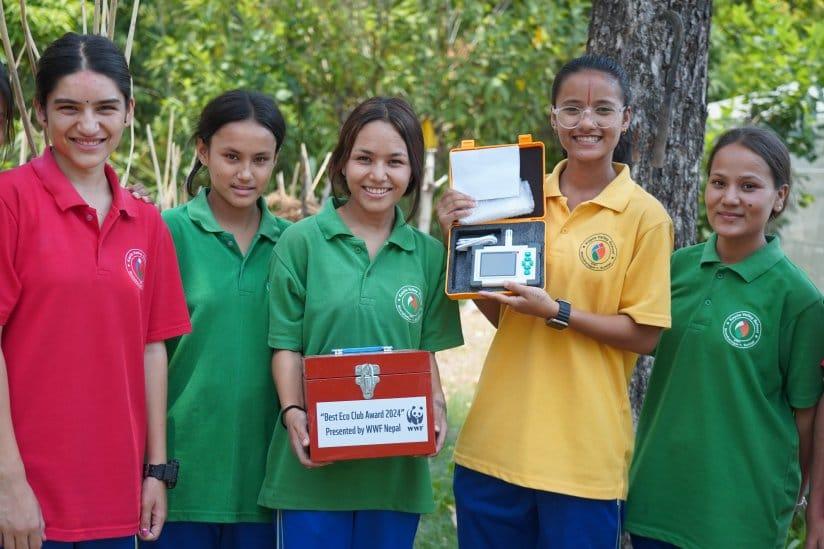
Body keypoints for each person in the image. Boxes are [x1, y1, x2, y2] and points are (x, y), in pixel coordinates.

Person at [436, 54, 673, 548]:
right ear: (554, 119)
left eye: (603, 110)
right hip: (495, 448)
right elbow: (504, 314)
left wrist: (558, 312)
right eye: (572, 109)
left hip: (583, 461)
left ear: (625, 119)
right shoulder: (515, 198)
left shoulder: (645, 217)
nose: (587, 123)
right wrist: (456, 241)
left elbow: (645, 335)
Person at [0, 33, 190, 549]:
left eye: (105, 108)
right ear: (40, 111)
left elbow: (153, 348)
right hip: (27, 500)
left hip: (115, 497)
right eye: (68, 108)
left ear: (128, 111)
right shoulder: (9, 201)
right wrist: (9, 485)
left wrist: (155, 469)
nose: (88, 126)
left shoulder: (147, 220)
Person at [257, 96, 463, 549]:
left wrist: (438, 406)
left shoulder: (430, 256)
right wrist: (293, 412)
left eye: (395, 162)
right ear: (342, 161)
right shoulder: (301, 243)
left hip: (392, 478)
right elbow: (286, 345)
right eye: (364, 158)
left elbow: (424, 352)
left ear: (413, 173)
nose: (377, 175)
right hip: (311, 473)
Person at [625, 127, 824, 549]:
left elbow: (807, 420)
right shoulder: (676, 267)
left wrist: (801, 504)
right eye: (718, 183)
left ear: (780, 197)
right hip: (657, 503)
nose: (729, 198)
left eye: (748, 186)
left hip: (742, 516)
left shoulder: (800, 301)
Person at [141, 90, 290, 549]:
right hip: (178, 485)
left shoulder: (294, 247)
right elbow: (144, 356)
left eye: (260, 159)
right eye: (230, 156)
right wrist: (155, 470)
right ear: (202, 151)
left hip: (268, 487)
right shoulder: (163, 232)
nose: (246, 174)